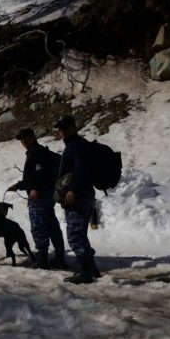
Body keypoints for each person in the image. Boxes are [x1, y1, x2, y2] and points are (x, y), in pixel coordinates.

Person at [8, 128, 66, 269]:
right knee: (52, 226)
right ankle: (59, 257)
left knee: (39, 227)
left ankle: (42, 259)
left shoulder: (37, 153)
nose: (23, 141)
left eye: (26, 137)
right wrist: (20, 185)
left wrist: (36, 189)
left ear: (33, 137)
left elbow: (41, 175)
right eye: (21, 139)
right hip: (46, 196)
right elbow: (33, 177)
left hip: (40, 197)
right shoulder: (37, 152)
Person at [53, 115, 102, 284]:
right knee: (80, 233)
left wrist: (72, 190)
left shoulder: (77, 146)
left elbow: (82, 170)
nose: (62, 131)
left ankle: (85, 272)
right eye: (60, 129)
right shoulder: (77, 145)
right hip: (83, 194)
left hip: (78, 195)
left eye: (65, 127)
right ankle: (91, 269)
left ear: (74, 127)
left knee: (75, 235)